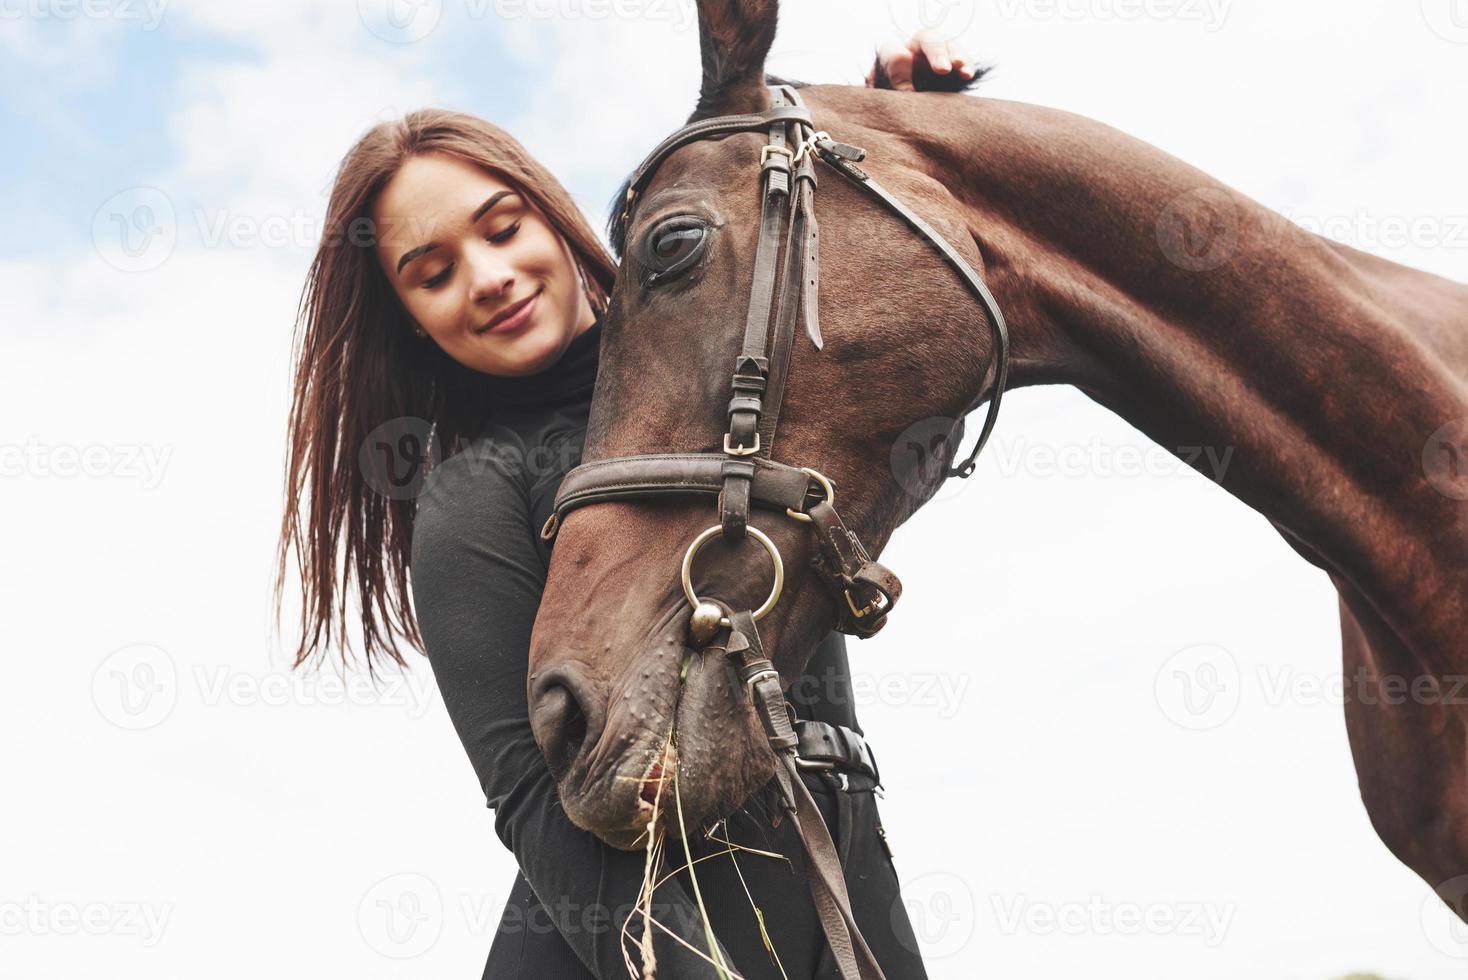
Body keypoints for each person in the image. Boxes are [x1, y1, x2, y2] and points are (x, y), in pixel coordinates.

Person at [278, 33, 980, 980]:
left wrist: (891, 120)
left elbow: (810, 287)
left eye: (501, 226)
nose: (489, 279)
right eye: (433, 272)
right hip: (625, 942)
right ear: (411, 317)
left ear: (554, 219)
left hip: (842, 859)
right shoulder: (471, 499)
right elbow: (534, 807)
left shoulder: (721, 399)